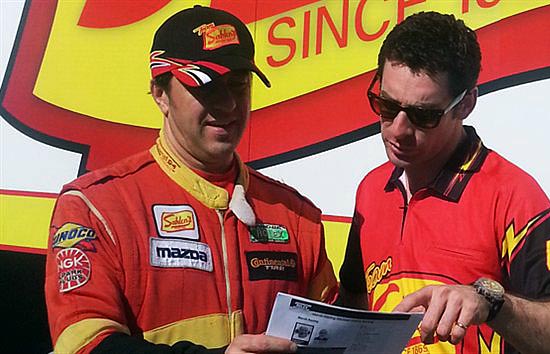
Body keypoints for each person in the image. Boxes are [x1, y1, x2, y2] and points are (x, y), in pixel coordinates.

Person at [44, 6, 337, 354]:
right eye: (207, 87)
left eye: (238, 86)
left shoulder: (296, 216)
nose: (228, 104)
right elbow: (84, 344)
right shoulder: (94, 207)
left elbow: (332, 338)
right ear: (160, 93)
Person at [337, 11, 550, 354]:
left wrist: (492, 304)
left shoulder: (510, 193)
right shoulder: (370, 190)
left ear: (466, 104)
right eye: (387, 106)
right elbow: (354, 307)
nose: (398, 130)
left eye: (424, 115)